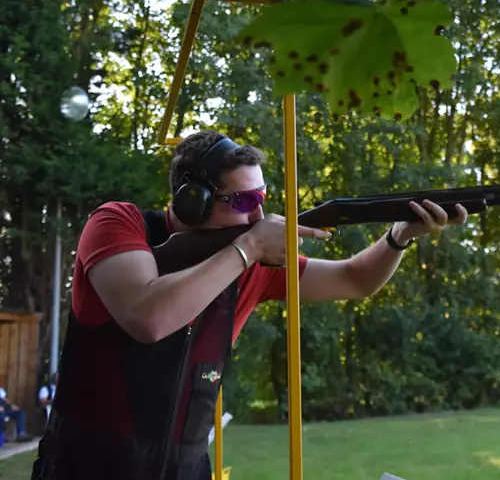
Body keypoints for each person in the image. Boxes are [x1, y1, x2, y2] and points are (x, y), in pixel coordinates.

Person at [31, 130, 468, 480]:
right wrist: (248, 249)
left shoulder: (251, 254)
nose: (259, 217)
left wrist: (399, 237)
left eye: (261, 199)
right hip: (85, 466)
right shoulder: (119, 222)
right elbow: (147, 316)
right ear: (192, 201)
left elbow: (355, 279)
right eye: (243, 202)